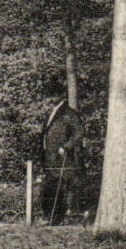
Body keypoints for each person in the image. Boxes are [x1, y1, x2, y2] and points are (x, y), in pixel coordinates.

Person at [39, 93, 85, 222]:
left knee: (63, 186)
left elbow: (79, 133)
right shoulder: (52, 112)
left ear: (59, 96)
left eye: (51, 95)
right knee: (50, 186)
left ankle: (61, 217)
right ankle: (49, 217)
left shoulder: (69, 113)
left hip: (64, 157)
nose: (49, 99)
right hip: (50, 157)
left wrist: (66, 146)